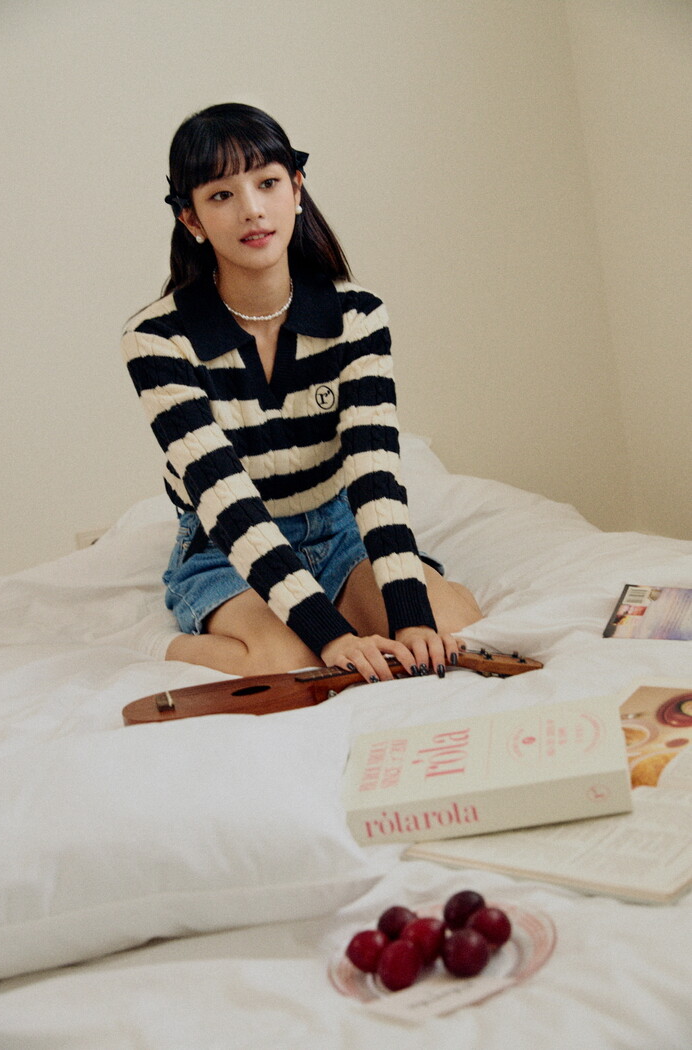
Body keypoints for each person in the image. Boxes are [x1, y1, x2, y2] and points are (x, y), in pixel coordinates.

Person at [122, 103, 481, 684]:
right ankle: (171, 641)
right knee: (289, 660)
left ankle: (347, 605)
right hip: (225, 543)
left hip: (336, 528)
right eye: (221, 195)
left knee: (449, 623)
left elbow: (374, 470)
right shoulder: (157, 338)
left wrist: (410, 615)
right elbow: (225, 500)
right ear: (191, 219)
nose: (252, 209)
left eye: (267, 183)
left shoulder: (357, 314)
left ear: (296, 189)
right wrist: (329, 634)